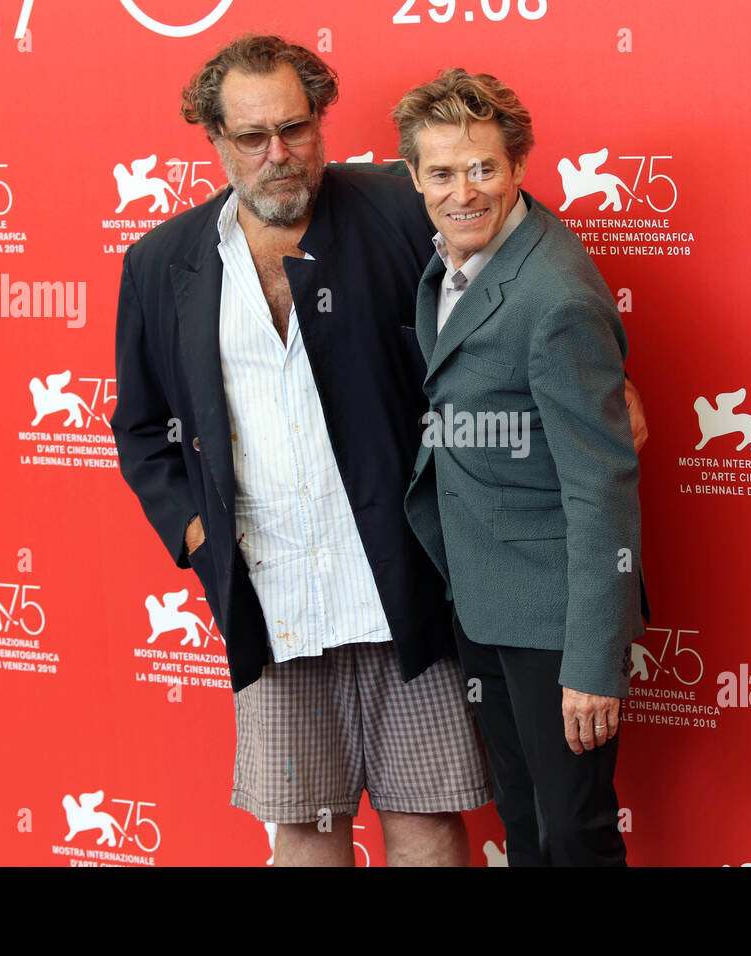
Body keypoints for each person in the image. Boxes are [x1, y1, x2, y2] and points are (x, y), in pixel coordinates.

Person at [111, 35, 494, 866]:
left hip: (406, 584)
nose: (278, 155)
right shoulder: (158, 265)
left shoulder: (402, 209)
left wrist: (599, 371)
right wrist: (195, 532)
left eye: (296, 128)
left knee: (426, 825)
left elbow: (517, 263)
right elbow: (141, 428)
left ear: (321, 122)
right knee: (305, 831)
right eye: (252, 137)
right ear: (213, 139)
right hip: (271, 595)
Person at [397, 69, 646, 866]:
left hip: (554, 617)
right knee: (525, 827)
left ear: (517, 169)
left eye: (483, 169)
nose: (462, 191)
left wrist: (592, 662)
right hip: (482, 599)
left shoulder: (554, 297)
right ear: (413, 177)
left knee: (574, 836)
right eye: (441, 172)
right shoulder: (454, 257)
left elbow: (600, 487)